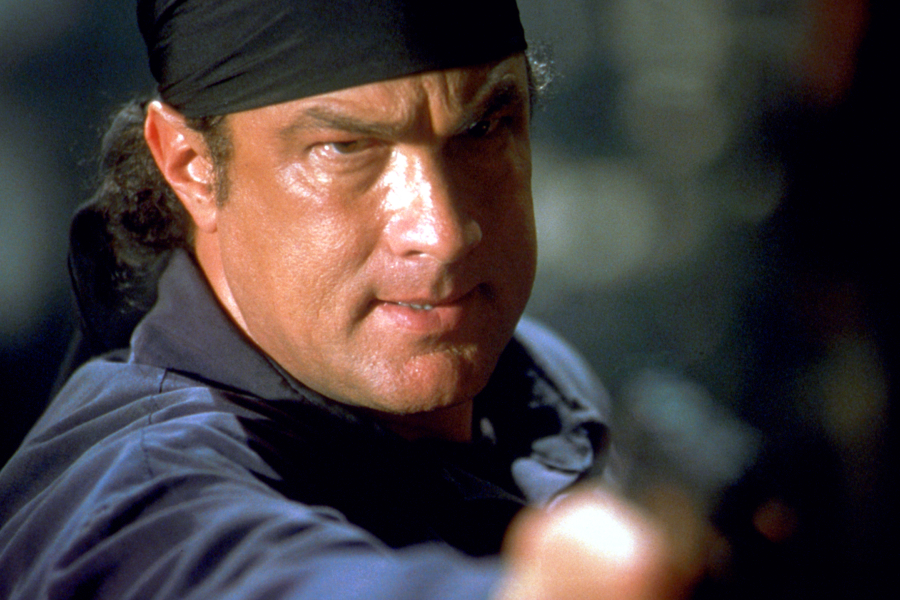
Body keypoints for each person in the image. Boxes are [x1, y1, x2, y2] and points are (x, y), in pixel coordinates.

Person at [0, 1, 693, 598]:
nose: (444, 232)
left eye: (482, 128)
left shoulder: (528, 376)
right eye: (344, 147)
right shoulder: (136, 502)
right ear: (192, 165)